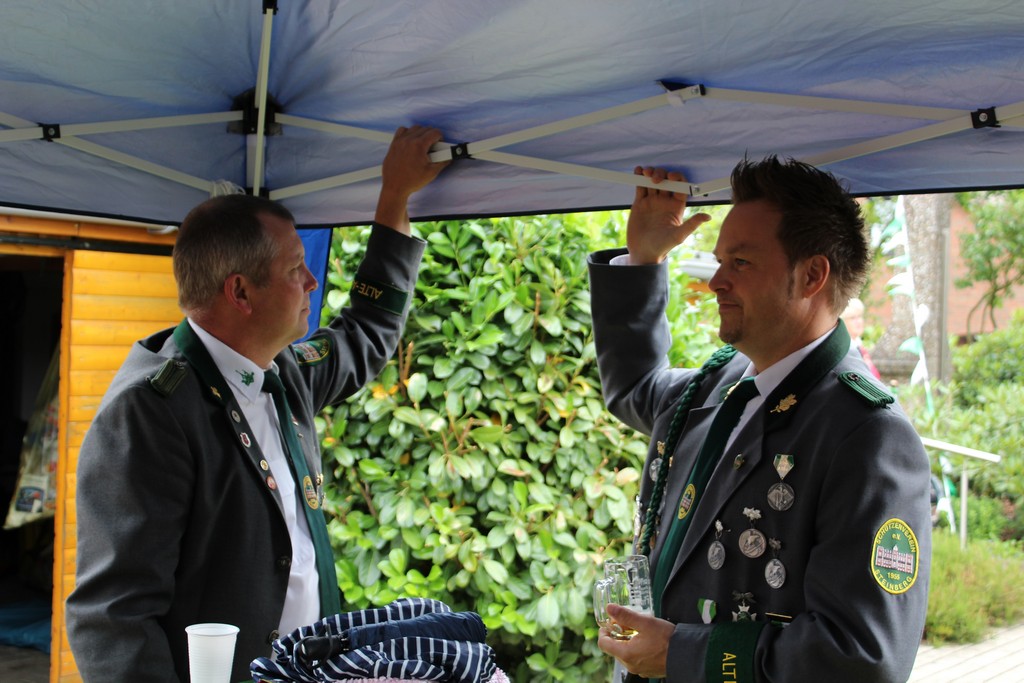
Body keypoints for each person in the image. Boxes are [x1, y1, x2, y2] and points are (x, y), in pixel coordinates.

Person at [65, 125, 449, 683]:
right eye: (295, 269)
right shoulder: (150, 412)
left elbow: (367, 331)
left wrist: (394, 198)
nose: (312, 282)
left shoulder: (282, 372)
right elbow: (113, 616)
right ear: (240, 292)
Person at [588, 158, 931, 683]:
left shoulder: (867, 435)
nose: (716, 281)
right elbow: (635, 387)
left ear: (812, 275)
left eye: (741, 262)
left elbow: (864, 657)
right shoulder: (719, 382)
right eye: (719, 260)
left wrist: (682, 654)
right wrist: (643, 260)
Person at [842, 297, 883, 380]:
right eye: (853, 318)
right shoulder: (846, 348)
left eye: (860, 316)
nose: (859, 321)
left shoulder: (858, 344)